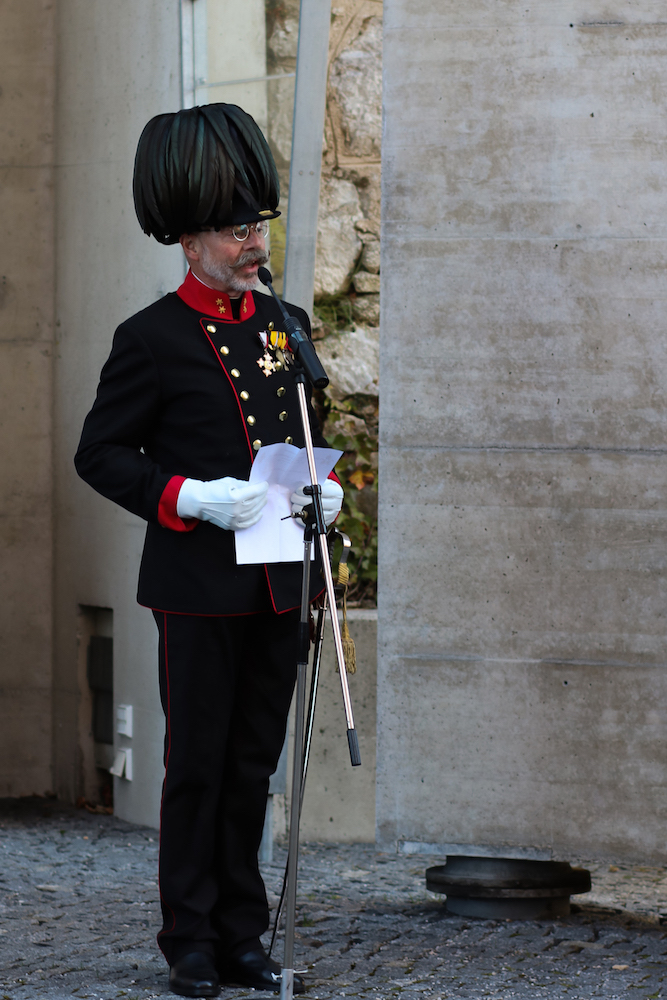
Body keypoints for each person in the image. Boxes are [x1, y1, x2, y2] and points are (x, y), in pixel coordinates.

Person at [75, 103, 343, 998]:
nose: (251, 242)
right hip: (196, 586)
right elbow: (101, 454)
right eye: (234, 229)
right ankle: (189, 940)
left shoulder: (286, 322)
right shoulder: (149, 337)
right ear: (188, 240)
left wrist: (324, 491)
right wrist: (186, 495)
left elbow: (308, 428)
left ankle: (242, 935)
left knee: (249, 768)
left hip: (279, 585)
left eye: (255, 224)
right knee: (196, 765)